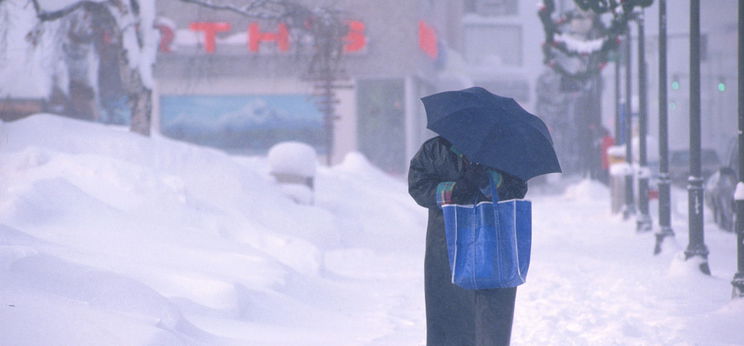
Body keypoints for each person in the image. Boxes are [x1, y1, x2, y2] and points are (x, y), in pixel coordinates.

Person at [408, 136, 528, 346]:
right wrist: (453, 190)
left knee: (491, 318)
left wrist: (489, 181)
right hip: (446, 245)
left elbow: (517, 189)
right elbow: (418, 185)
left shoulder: (503, 149)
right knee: (449, 314)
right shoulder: (435, 150)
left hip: (494, 244)